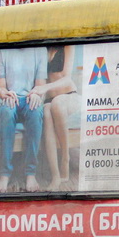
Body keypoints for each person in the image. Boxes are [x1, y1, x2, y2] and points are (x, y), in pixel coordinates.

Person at [0, 46, 48, 192]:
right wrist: (6, 93)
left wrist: (36, 93)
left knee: (35, 112)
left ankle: (30, 173)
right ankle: (4, 174)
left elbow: (40, 84)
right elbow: (1, 85)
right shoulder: (4, 51)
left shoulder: (40, 49)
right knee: (7, 113)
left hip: (30, 97)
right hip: (12, 98)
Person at [41, 46, 81, 191]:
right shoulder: (43, 49)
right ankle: (55, 175)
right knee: (46, 112)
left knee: (57, 104)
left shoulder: (68, 46)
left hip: (69, 95)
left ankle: (65, 158)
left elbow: (66, 77)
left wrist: (44, 89)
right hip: (49, 100)